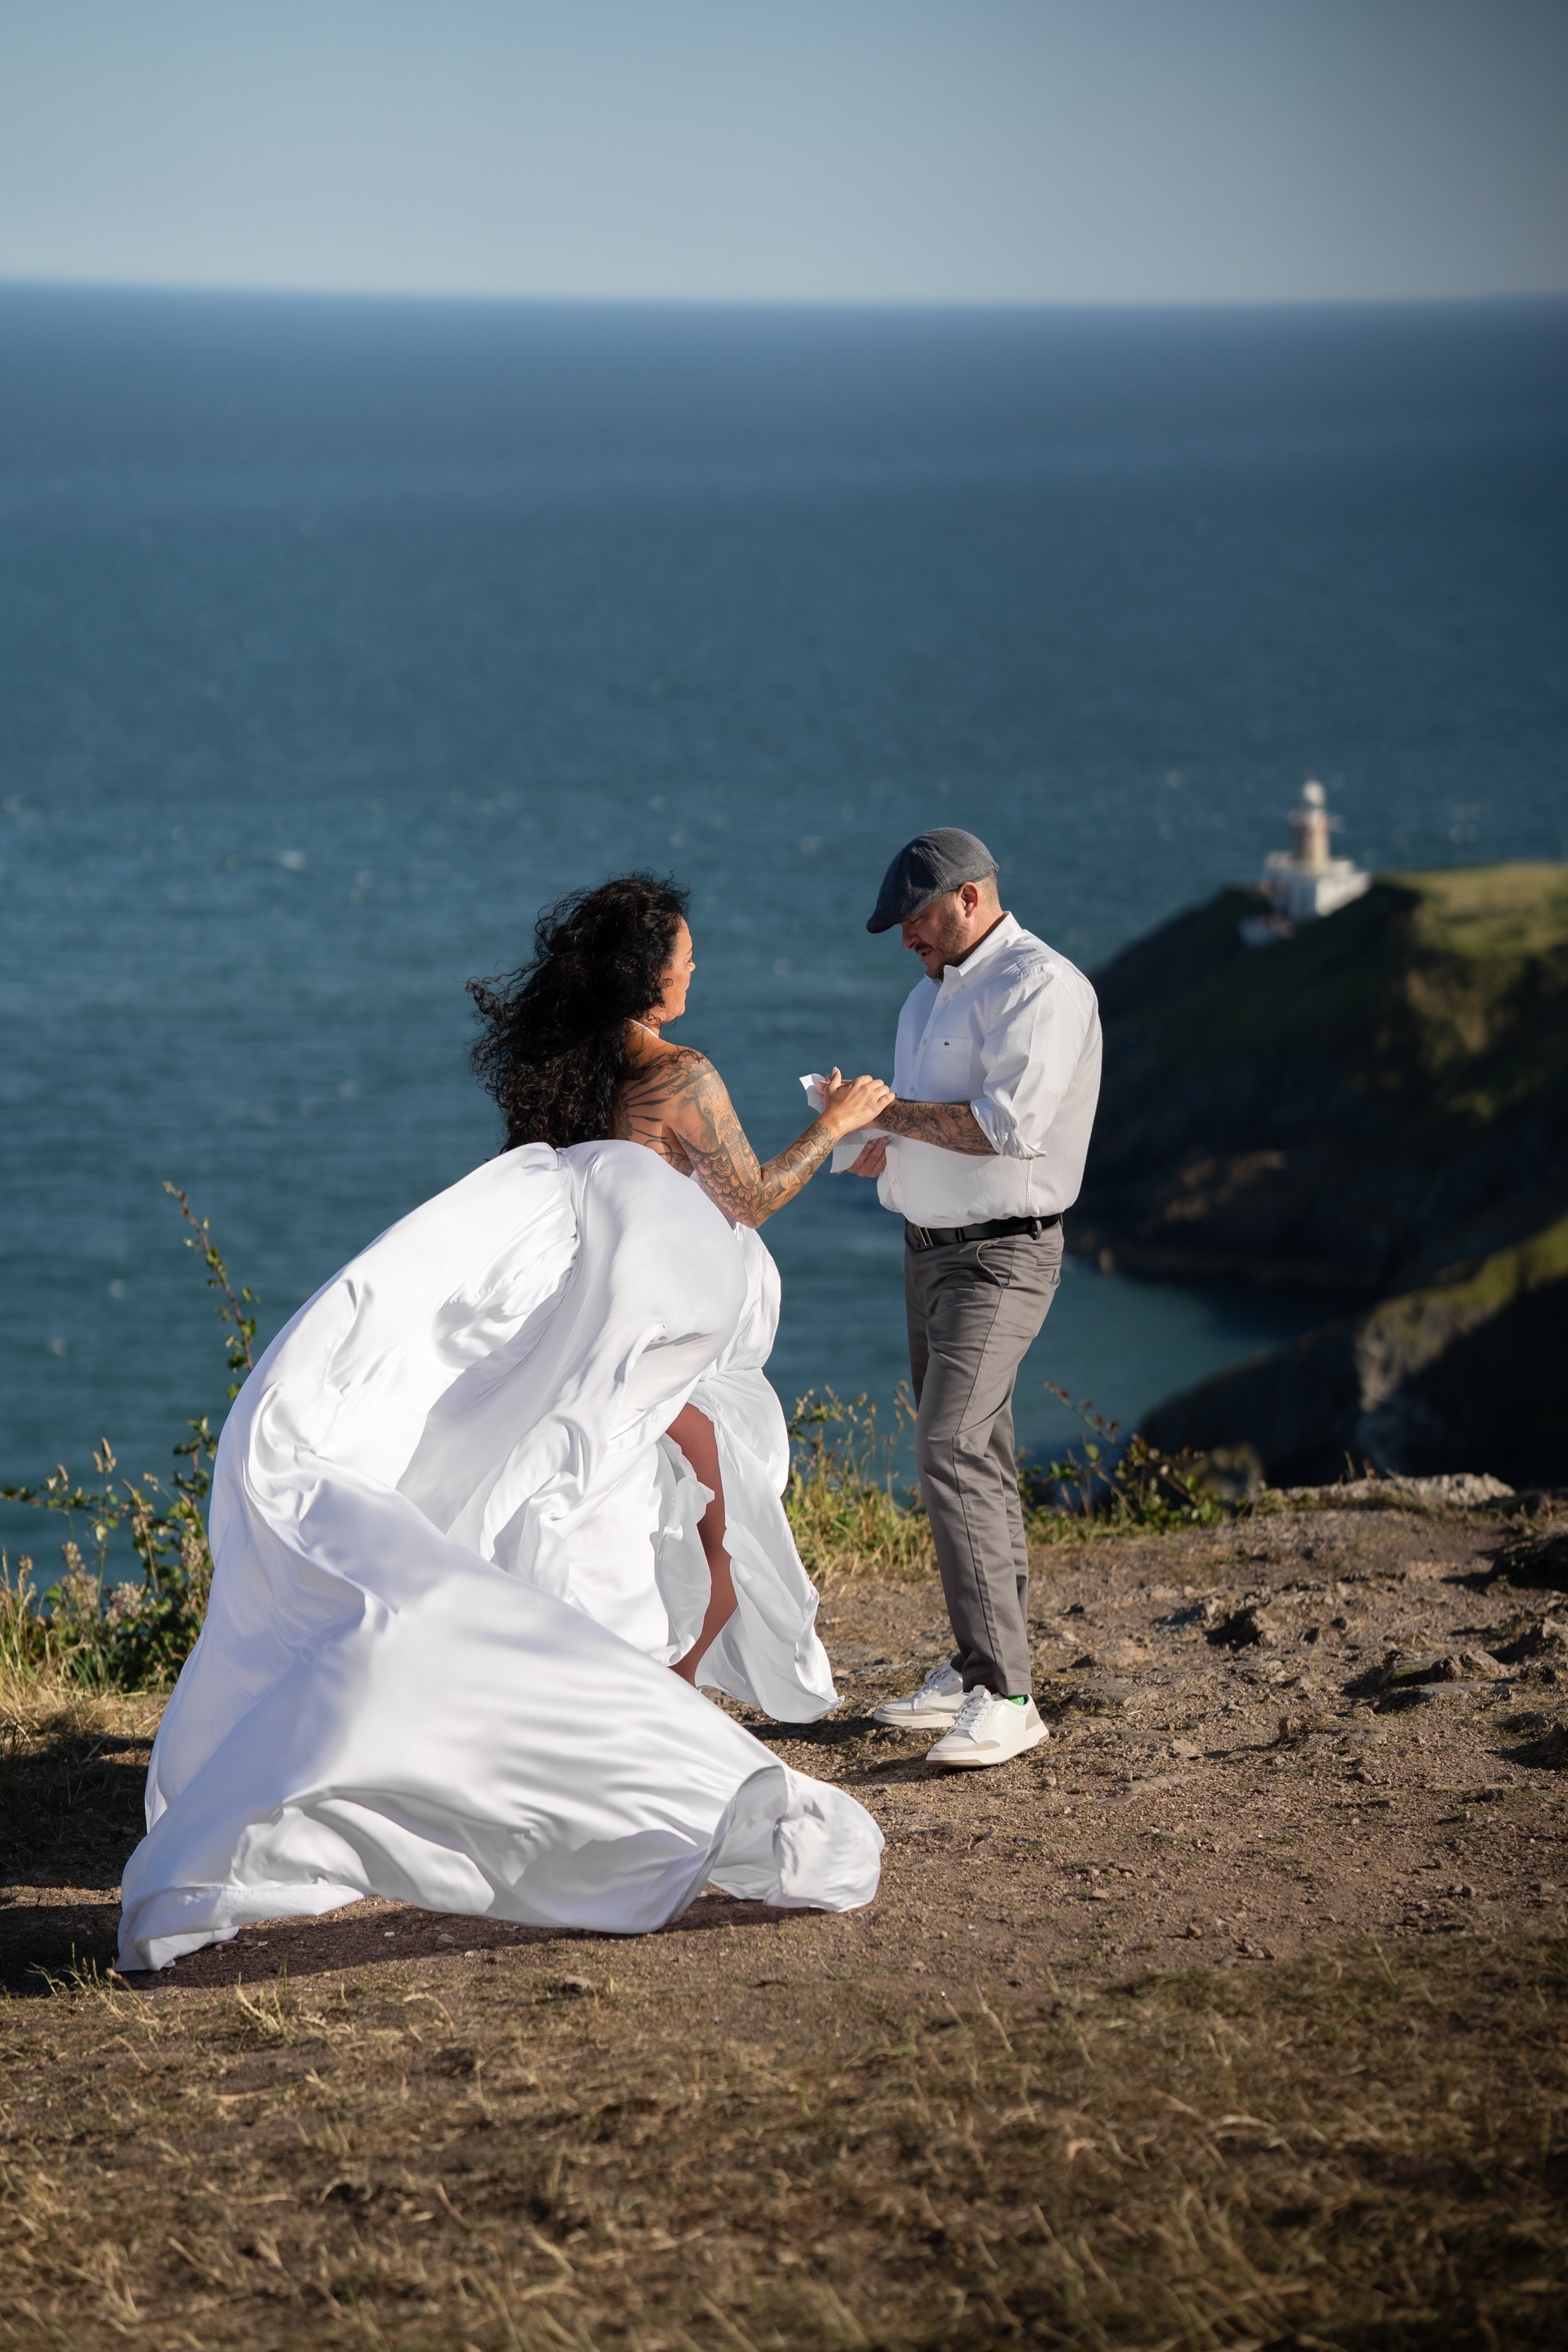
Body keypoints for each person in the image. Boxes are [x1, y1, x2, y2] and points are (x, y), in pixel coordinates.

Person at [117, 875, 890, 1974]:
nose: (696, 969)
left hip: (581, 1354)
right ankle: (625, 1785)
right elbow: (751, 1199)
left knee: (641, 1534)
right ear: (648, 976)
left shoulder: (568, 1077)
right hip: (629, 1355)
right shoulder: (681, 1075)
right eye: (685, 955)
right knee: (662, 1553)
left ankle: (588, 1757)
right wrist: (841, 1122)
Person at [848, 829, 1102, 1770]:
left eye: (913, 919)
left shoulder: (1042, 986)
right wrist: (875, 1142)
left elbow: (1004, 1128)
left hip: (1002, 1257)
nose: (903, 939)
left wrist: (878, 1113)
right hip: (926, 1252)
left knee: (950, 1447)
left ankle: (1009, 1695)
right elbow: (933, 1129)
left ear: (966, 897)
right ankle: (973, 1669)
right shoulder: (926, 996)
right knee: (976, 1457)